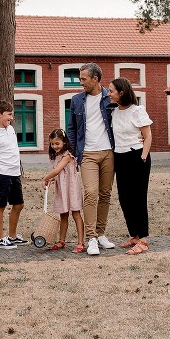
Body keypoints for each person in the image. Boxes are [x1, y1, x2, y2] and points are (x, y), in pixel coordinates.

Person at [67, 62, 116, 256]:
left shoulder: (110, 97)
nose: (81, 82)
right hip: (87, 153)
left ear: (95, 79)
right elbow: (71, 128)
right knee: (90, 193)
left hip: (108, 152)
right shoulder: (77, 100)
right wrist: (73, 151)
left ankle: (101, 233)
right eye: (80, 79)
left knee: (105, 194)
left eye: (83, 79)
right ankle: (91, 238)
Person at [107, 77, 153, 255]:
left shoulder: (137, 111)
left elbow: (147, 136)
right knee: (124, 198)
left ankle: (143, 240)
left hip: (137, 156)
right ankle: (134, 235)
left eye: (111, 91)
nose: (109, 94)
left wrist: (143, 157)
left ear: (122, 92)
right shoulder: (114, 111)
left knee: (138, 198)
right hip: (120, 157)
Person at [0, 100, 29, 249]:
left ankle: (12, 236)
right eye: (9, 114)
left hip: (14, 174)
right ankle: (0, 239)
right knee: (0, 205)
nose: (11, 117)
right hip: (1, 175)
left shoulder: (10, 129)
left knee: (19, 204)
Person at [42, 129, 86, 253]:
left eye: (57, 143)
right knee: (63, 214)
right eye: (52, 144)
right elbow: (58, 173)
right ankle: (61, 241)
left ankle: (81, 242)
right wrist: (51, 179)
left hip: (71, 188)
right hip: (62, 188)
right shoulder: (56, 156)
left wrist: (45, 178)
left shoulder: (67, 156)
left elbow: (57, 170)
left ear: (64, 142)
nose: (54, 146)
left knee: (76, 213)